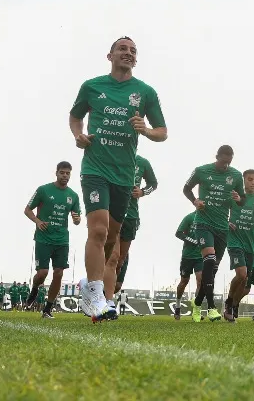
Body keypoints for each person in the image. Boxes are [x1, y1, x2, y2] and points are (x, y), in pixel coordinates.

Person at [71, 36, 168, 322]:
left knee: (111, 239)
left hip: (124, 175)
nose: (128, 53)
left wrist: (146, 130)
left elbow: (162, 131)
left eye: (133, 51)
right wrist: (78, 135)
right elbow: (75, 117)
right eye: (122, 49)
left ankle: (91, 286)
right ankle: (95, 294)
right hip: (95, 169)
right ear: (110, 55)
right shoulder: (92, 86)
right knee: (98, 231)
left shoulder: (145, 92)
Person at [183, 145, 246, 323]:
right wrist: (195, 201)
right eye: (223, 161)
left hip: (222, 228)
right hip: (203, 223)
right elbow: (186, 188)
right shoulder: (201, 171)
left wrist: (239, 199)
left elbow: (242, 199)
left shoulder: (236, 175)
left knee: (212, 270)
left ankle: (197, 303)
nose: (225, 165)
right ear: (217, 157)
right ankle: (211, 307)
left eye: (228, 162)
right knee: (209, 260)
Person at [24, 161, 82, 319]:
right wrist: (37, 221)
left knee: (59, 273)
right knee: (42, 273)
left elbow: (77, 219)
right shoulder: (43, 190)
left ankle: (47, 309)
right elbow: (27, 210)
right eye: (62, 172)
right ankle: (35, 288)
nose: (65, 176)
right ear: (56, 173)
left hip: (62, 240)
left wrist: (77, 219)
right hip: (43, 237)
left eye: (67, 173)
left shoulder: (73, 196)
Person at [224, 169, 254, 322]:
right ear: (243, 180)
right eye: (250, 179)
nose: (253, 182)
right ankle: (229, 303)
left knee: (245, 282)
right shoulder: (233, 195)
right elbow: (219, 211)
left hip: (250, 245)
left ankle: (233, 304)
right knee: (241, 274)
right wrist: (227, 222)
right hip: (234, 241)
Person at [111, 154, 158, 296]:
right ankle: (102, 296)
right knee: (112, 256)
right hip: (111, 213)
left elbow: (153, 184)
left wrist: (142, 192)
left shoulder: (142, 162)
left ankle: (109, 294)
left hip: (131, 216)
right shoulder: (112, 155)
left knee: (120, 260)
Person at [174, 211, 204, 322]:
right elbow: (178, 233)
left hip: (200, 256)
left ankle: (196, 310)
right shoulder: (189, 217)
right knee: (184, 281)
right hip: (187, 256)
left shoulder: (208, 218)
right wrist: (192, 241)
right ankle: (178, 306)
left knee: (201, 282)